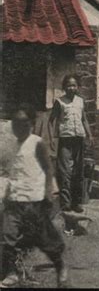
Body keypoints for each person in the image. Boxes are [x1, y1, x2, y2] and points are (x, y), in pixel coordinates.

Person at [1, 104, 67, 288]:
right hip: (15, 199)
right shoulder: (12, 145)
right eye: (15, 123)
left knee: (45, 240)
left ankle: (60, 267)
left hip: (34, 199)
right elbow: (13, 172)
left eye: (22, 122)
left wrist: (48, 194)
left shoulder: (37, 142)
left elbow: (48, 169)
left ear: (30, 124)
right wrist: (6, 193)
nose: (18, 126)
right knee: (8, 236)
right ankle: (12, 272)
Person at [48, 74, 93, 213]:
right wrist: (51, 139)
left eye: (74, 85)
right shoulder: (59, 102)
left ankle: (76, 202)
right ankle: (65, 203)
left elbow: (84, 119)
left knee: (78, 171)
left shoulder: (80, 101)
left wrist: (89, 135)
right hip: (65, 139)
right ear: (64, 87)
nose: (71, 88)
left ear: (77, 87)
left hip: (79, 138)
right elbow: (51, 121)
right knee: (64, 171)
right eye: (69, 85)